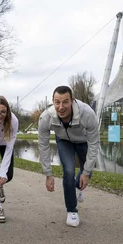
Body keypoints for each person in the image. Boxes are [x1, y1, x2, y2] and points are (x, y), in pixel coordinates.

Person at [38, 85, 99, 227]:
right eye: (57, 102)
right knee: (69, 171)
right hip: (64, 140)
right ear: (52, 101)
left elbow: (94, 143)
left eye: (65, 101)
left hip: (84, 141)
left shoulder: (87, 114)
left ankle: (77, 185)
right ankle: (72, 211)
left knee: (87, 173)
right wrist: (48, 173)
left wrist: (86, 172)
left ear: (72, 101)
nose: (61, 107)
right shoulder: (46, 117)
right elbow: (43, 146)